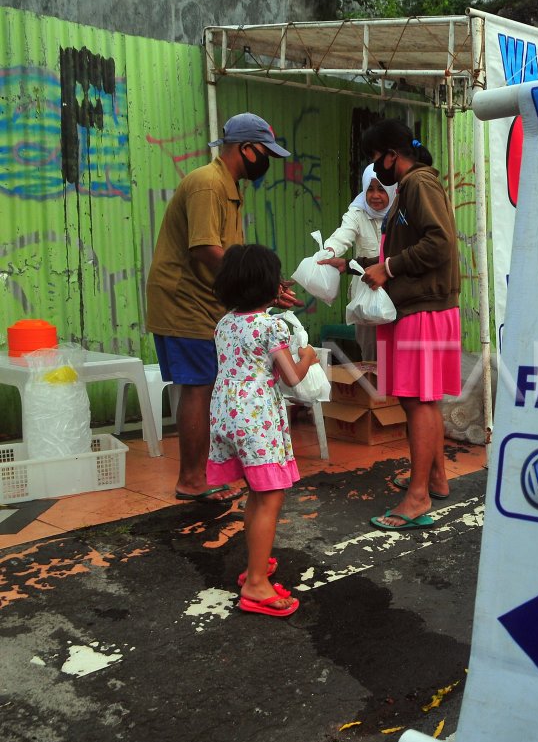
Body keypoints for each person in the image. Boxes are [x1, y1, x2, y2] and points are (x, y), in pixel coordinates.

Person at [145, 112, 299, 505]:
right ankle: (192, 479)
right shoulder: (207, 184)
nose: (267, 163)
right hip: (185, 300)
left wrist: (264, 288)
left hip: (206, 299)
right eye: (265, 153)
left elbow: (230, 254)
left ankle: (204, 474)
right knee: (197, 388)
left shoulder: (227, 185)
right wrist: (258, 285)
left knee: (206, 384)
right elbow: (205, 248)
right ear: (247, 149)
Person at [320, 119, 461, 530]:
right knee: (419, 398)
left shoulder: (418, 184)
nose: (375, 168)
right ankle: (434, 478)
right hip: (419, 307)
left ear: (391, 155)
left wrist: (390, 266)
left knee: (418, 400)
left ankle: (417, 498)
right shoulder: (414, 187)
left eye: (375, 159)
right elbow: (398, 256)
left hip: (423, 310)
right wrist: (350, 265)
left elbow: (440, 242)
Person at [209, 244, 317, 617]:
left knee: (256, 491)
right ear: (270, 286)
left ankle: (257, 562)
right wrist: (308, 357)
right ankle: (256, 584)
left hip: (226, 414)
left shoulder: (224, 323)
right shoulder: (272, 327)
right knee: (269, 496)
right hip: (257, 420)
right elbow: (292, 379)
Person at [322, 164, 397, 361]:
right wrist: (329, 250)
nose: (374, 195)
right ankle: (373, 391)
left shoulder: (400, 213)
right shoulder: (357, 212)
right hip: (367, 297)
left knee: (397, 355)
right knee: (371, 357)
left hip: (397, 292)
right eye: (370, 189)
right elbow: (343, 234)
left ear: (391, 188)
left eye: (381, 189)